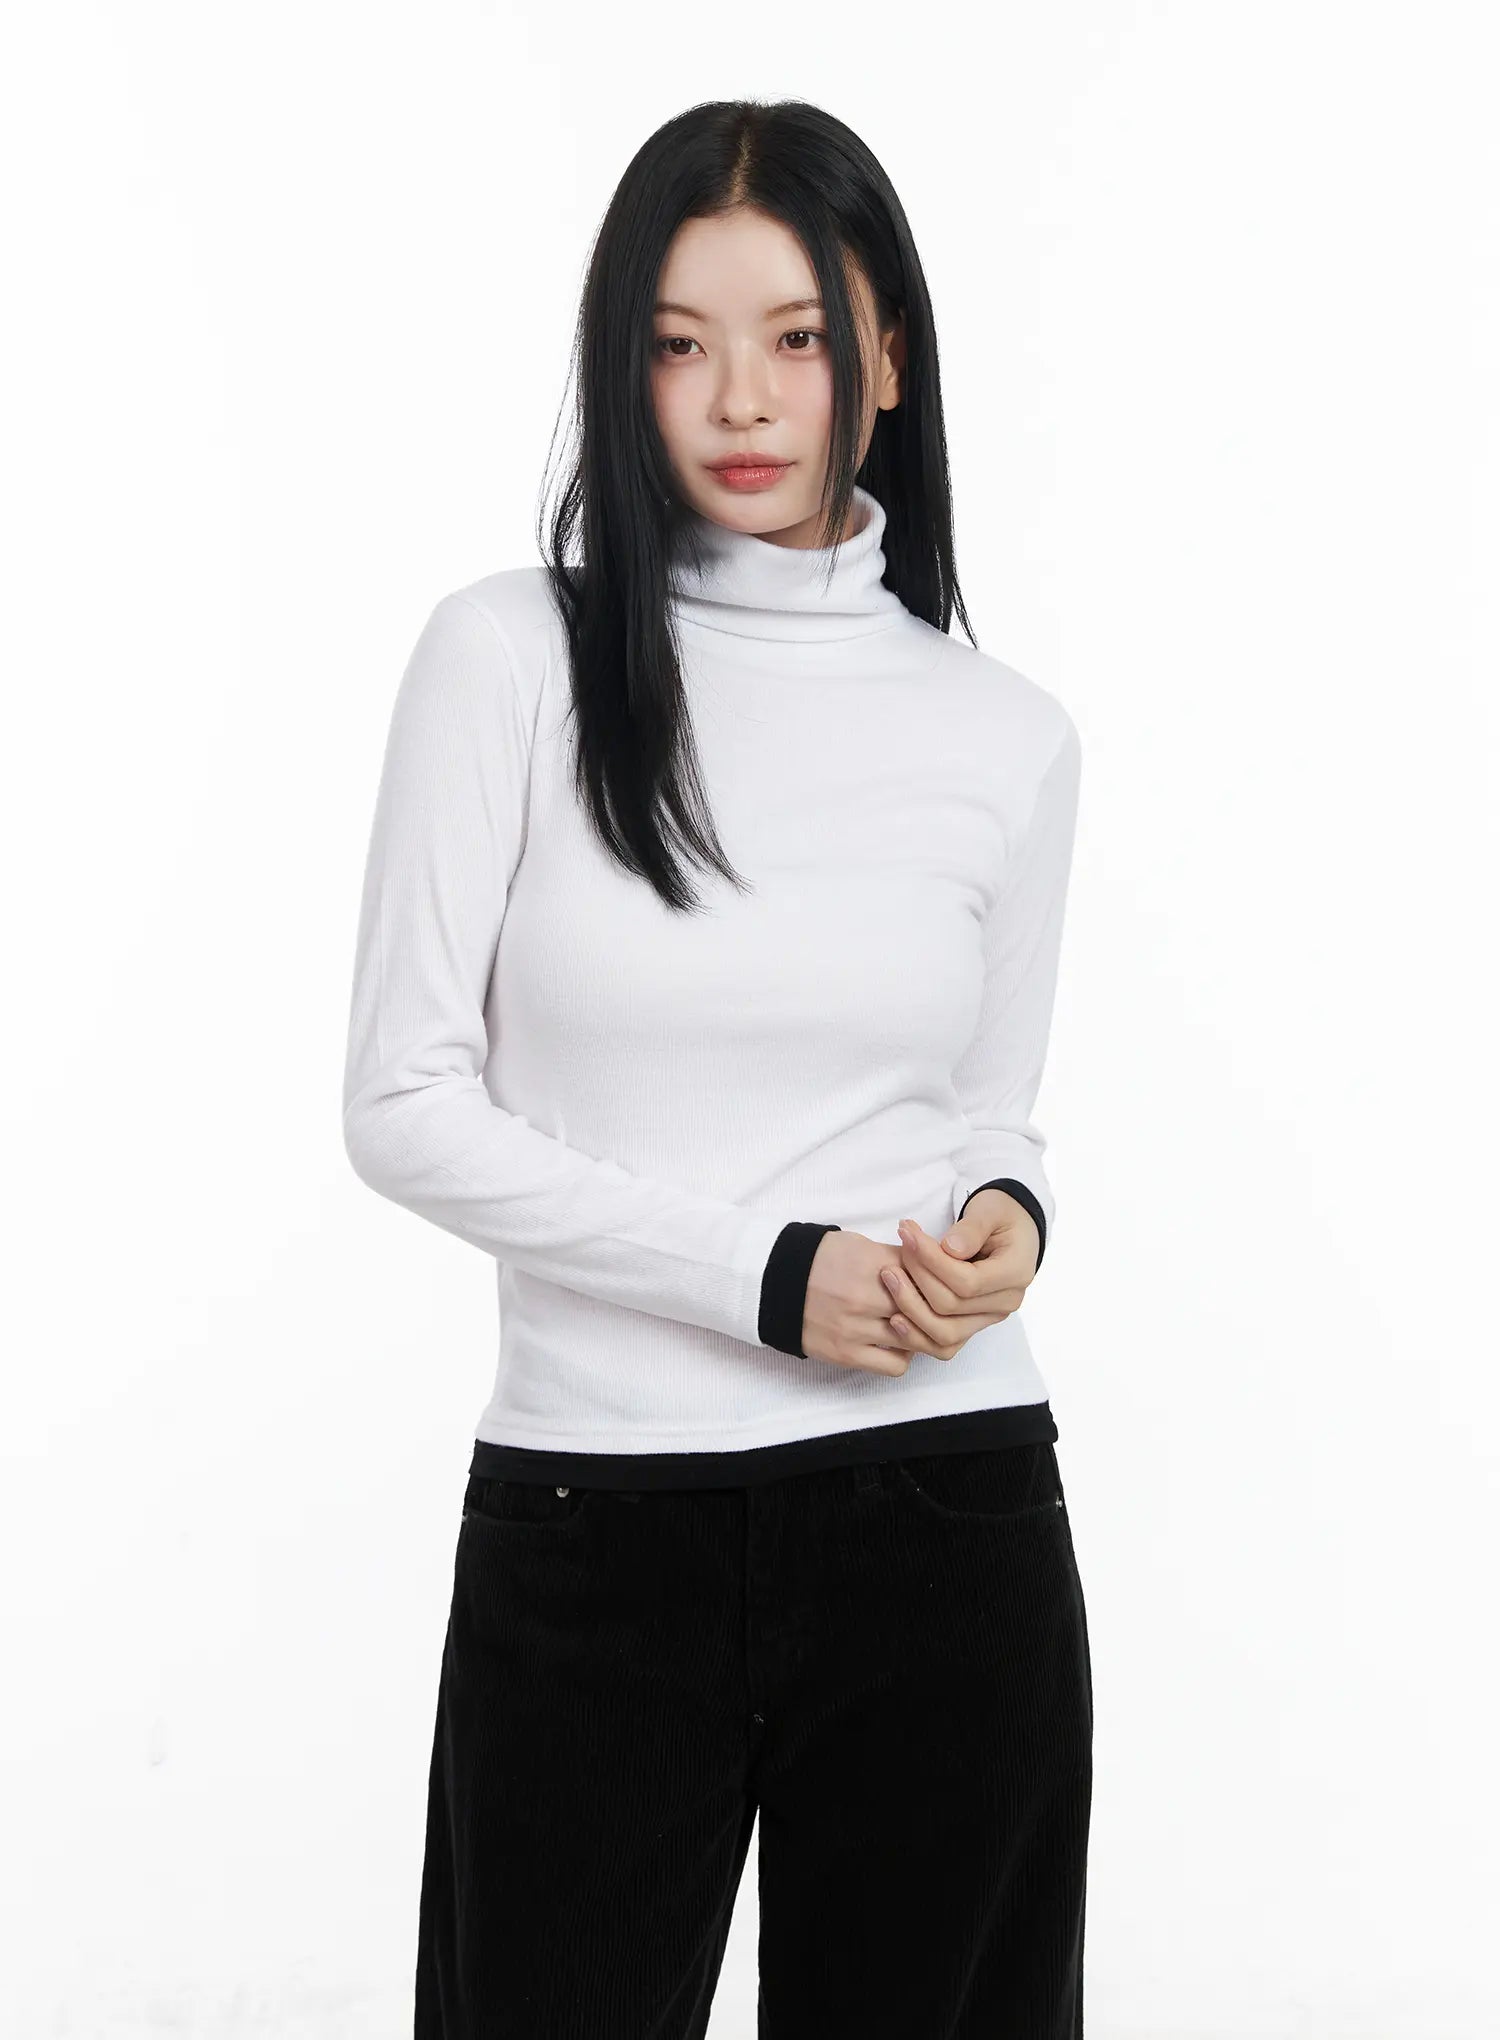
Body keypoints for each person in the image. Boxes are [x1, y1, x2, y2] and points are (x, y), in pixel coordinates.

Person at [342, 95, 1093, 2040]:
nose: (739, 399)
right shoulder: (509, 661)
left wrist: (1009, 1224)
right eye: (679, 343)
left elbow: (988, 1114)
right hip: (597, 1521)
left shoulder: (1004, 734)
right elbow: (404, 1104)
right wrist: (768, 1278)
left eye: (797, 336)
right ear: (622, 364)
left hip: (946, 1506)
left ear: (888, 359)